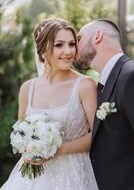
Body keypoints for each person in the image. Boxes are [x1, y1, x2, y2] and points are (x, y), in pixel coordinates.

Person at [0, 18, 98, 190]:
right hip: (30, 180)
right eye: (59, 45)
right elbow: (21, 134)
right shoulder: (27, 88)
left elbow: (97, 135)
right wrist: (29, 149)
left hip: (74, 176)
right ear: (43, 48)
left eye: (71, 44)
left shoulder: (85, 85)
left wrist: (56, 150)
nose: (68, 51)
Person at [77, 18, 134, 190]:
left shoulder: (130, 75)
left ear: (98, 36)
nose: (74, 47)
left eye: (78, 39)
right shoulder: (105, 82)